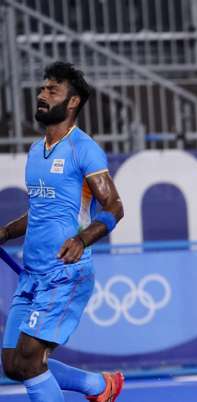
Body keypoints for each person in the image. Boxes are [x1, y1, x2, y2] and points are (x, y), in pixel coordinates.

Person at [0, 62, 125, 402]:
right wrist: (7, 231)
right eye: (43, 88)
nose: (42, 95)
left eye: (52, 91)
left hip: (65, 273)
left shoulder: (83, 149)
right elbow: (42, 210)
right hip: (32, 274)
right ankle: (100, 386)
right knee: (12, 364)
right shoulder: (35, 150)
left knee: (29, 359)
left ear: (72, 102)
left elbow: (115, 207)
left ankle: (100, 387)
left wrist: (82, 238)